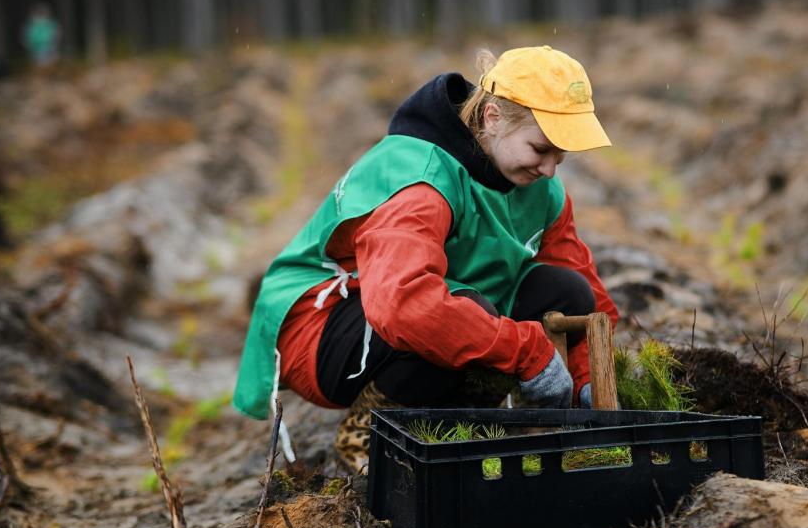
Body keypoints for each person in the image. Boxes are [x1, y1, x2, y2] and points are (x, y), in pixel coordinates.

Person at [233, 46, 620, 473]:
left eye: (560, 157)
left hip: (426, 300)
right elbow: (403, 305)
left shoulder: (542, 189)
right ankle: (367, 432)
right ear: (492, 117)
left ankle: (464, 426)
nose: (549, 170)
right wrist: (525, 351)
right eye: (540, 149)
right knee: (462, 314)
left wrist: (590, 375)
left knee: (564, 291)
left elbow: (581, 283)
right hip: (323, 326)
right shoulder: (420, 179)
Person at [22, 3, 60, 69]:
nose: (40, 15)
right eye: (38, 13)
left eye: (42, 13)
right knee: (39, 64)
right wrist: (30, 46)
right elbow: (26, 38)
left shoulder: (51, 24)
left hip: (49, 48)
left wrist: (53, 44)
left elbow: (56, 35)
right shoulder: (31, 26)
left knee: (50, 64)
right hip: (36, 49)